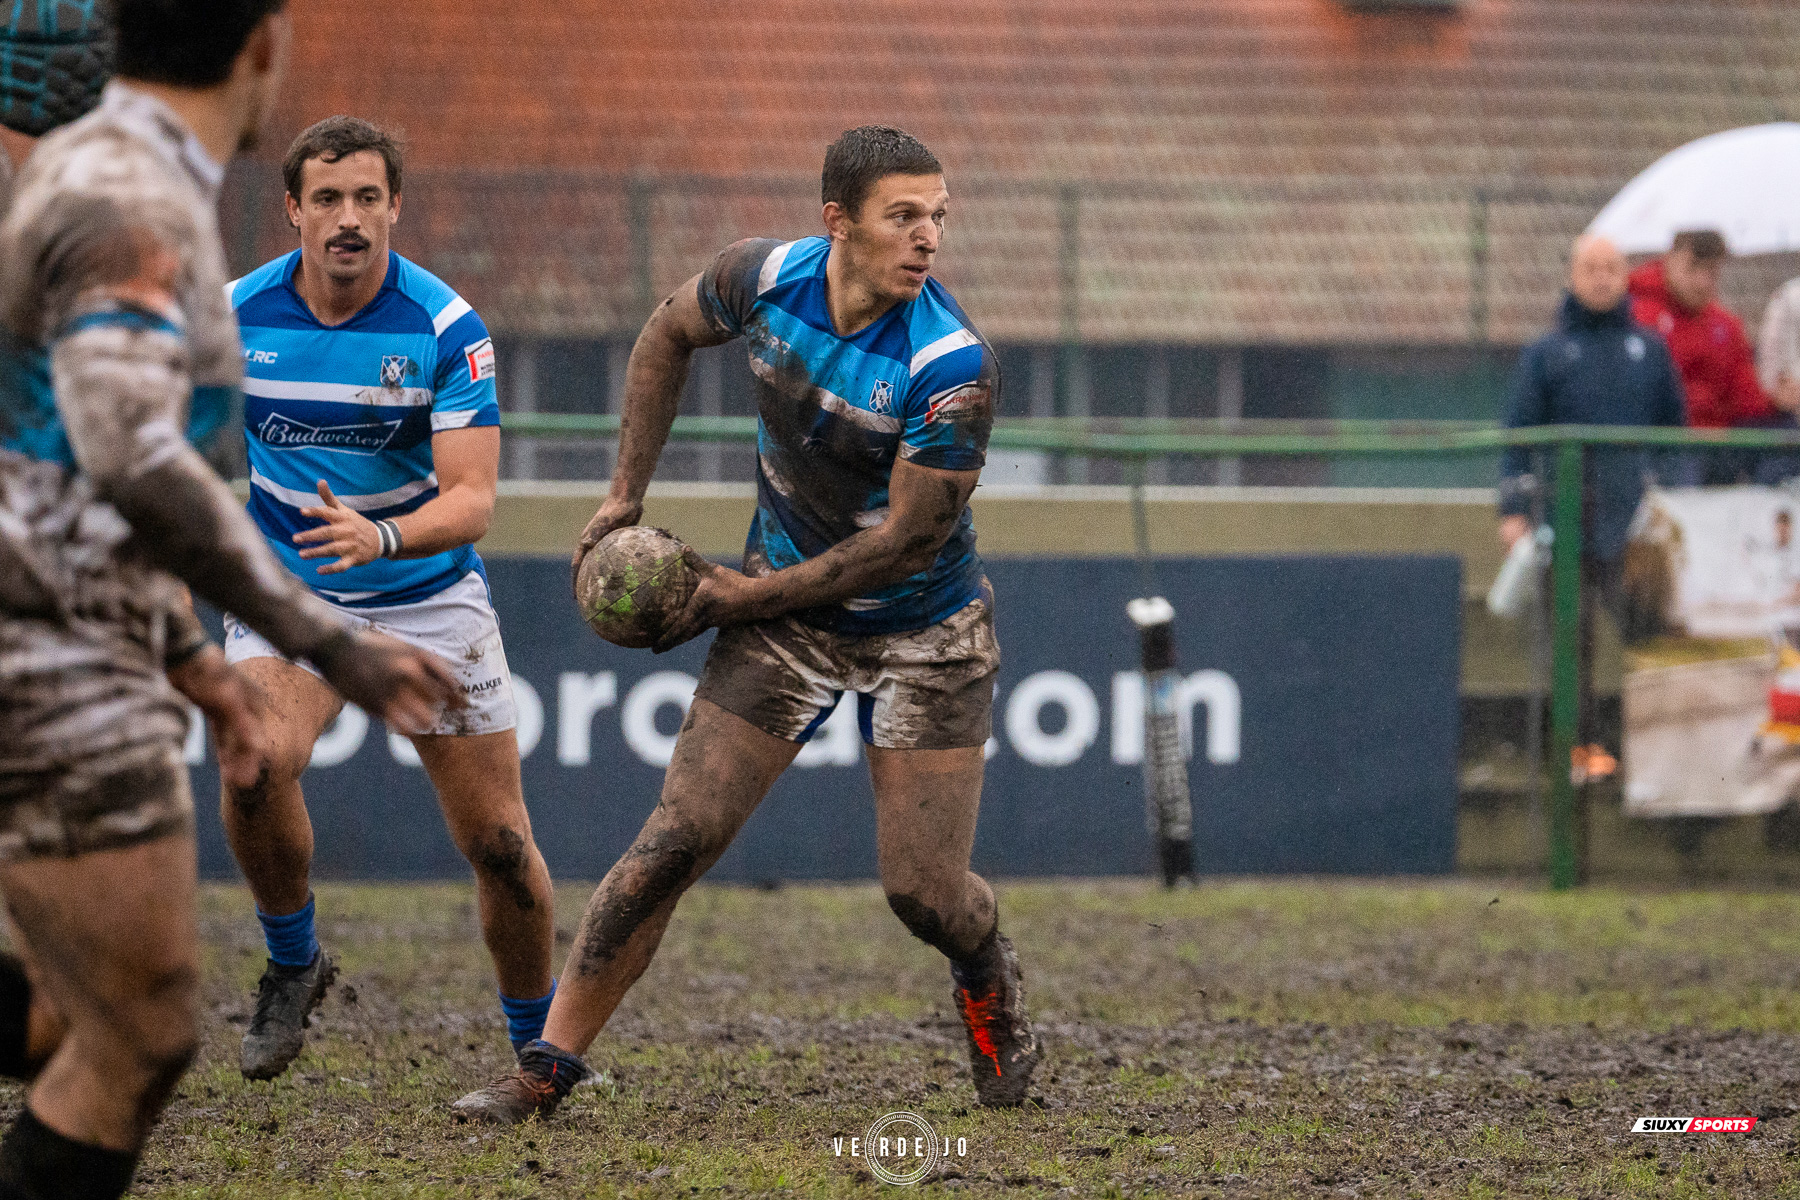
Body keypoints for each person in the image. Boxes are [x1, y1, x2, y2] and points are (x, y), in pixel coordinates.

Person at [451, 125, 1041, 1123]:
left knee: (923, 895)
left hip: (925, 631)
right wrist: (620, 499)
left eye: (939, 217)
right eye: (905, 216)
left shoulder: (952, 366)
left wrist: (731, 599)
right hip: (788, 624)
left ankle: (982, 965)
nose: (929, 237)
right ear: (837, 222)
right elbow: (662, 335)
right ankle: (545, 1067)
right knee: (675, 841)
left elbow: (901, 543)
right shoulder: (761, 280)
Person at [0, 4, 461, 1198]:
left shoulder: (118, 175)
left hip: (82, 634)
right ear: (265, 48)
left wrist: (193, 660)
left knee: (82, 1025)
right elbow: (128, 454)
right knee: (138, 1033)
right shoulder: (135, 201)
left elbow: (48, 460)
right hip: (47, 659)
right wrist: (320, 637)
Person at [221, 115, 556, 1080]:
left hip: (426, 596)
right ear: (293, 209)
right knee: (253, 765)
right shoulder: (235, 317)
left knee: (498, 844)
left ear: (395, 206)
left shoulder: (445, 328)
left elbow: (475, 500)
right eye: (326, 198)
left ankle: (536, 1045)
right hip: (292, 596)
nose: (348, 218)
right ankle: (294, 964)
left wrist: (383, 536)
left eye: (368, 197)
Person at [1501, 234, 1686, 787]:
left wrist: (1671, 502)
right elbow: (1519, 437)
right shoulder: (1546, 355)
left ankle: (1652, 760)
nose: (1602, 277)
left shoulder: (1649, 352)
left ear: (1625, 275)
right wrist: (1512, 509)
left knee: (1647, 639)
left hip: (1635, 532)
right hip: (1567, 525)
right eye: (1591, 267)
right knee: (1570, 645)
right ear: (1571, 276)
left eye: (1612, 267)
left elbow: (1675, 437)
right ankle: (1580, 758)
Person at [1629, 228, 1798, 483]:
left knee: (1787, 437)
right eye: (1693, 269)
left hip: (1720, 443)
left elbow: (1744, 396)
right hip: (1667, 444)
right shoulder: (1637, 317)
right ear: (1670, 260)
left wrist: (1776, 401)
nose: (1702, 282)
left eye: (1711, 272)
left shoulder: (1725, 325)